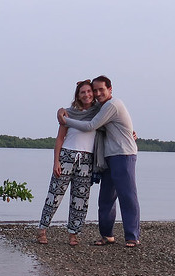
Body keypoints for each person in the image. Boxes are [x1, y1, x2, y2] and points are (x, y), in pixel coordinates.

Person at [56, 75, 140, 247]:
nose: (98, 93)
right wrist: (62, 110)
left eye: (101, 89)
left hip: (123, 154)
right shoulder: (100, 108)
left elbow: (90, 125)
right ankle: (107, 235)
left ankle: (132, 236)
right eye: (96, 90)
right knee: (106, 198)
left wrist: (64, 120)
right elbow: (83, 112)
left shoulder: (112, 104)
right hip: (108, 156)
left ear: (110, 89)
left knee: (127, 196)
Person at [36, 80, 100, 246]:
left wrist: (131, 133)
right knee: (54, 195)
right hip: (67, 156)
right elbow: (60, 138)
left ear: (93, 94)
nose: (86, 95)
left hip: (86, 159)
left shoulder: (98, 113)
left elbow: (114, 124)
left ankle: (73, 233)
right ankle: (42, 229)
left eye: (89, 92)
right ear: (77, 96)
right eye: (82, 92)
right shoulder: (68, 113)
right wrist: (56, 161)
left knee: (80, 199)